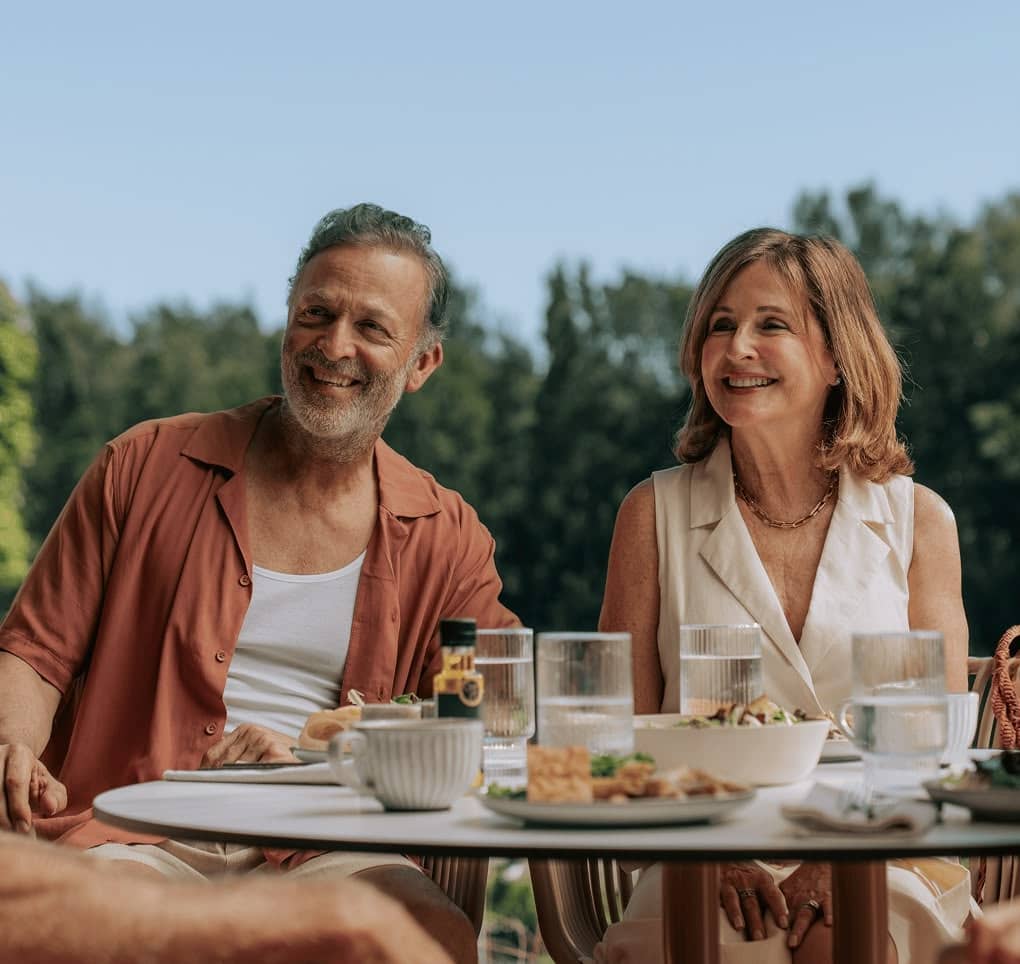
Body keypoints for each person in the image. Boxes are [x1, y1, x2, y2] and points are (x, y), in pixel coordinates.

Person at [0, 203, 517, 964]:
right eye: (317, 312)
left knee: (423, 936)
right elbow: (35, 655)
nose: (334, 345)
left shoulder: (449, 535)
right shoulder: (141, 466)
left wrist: (326, 760)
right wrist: (11, 743)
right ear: (288, 319)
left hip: (330, 840)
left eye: (372, 328)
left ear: (421, 365)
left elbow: (494, 721)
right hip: (133, 830)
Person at [595, 228, 970, 964]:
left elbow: (935, 752)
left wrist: (840, 859)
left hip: (882, 844)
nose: (737, 348)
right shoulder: (652, 513)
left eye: (772, 325)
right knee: (730, 940)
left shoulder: (920, 519)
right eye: (720, 325)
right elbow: (618, 743)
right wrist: (714, 854)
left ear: (837, 357)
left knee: (845, 937)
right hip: (696, 846)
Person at [0, 831, 452, 963]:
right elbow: (34, 650)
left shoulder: (440, 596)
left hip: (330, 830)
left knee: (432, 923)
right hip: (141, 822)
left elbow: (493, 692)